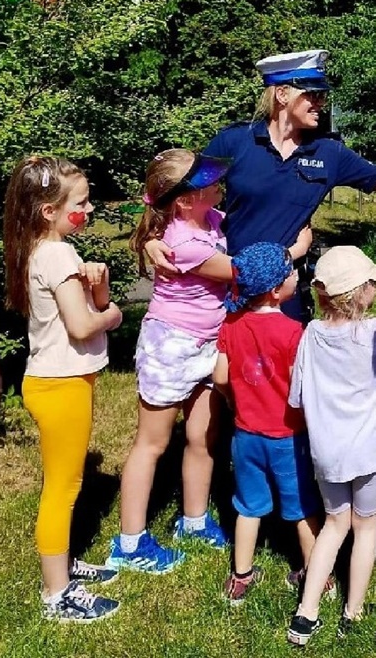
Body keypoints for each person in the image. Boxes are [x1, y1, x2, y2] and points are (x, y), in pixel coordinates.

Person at [144, 49, 376, 321]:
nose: (320, 103)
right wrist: (151, 239)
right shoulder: (234, 142)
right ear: (282, 94)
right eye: (312, 94)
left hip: (286, 294)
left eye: (322, 96)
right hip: (230, 288)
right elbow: (180, 191)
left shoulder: (329, 153)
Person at [3, 156, 123, 621]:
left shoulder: (40, 248)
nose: (89, 210)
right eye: (81, 202)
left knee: (66, 484)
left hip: (59, 382)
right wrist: (112, 317)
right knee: (62, 488)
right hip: (61, 385)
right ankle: (57, 595)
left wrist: (101, 286)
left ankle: (65, 567)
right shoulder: (57, 254)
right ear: (48, 211)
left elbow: (86, 307)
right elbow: (83, 325)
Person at [106, 151, 238, 575]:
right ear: (183, 200)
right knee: (152, 443)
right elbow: (241, 271)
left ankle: (194, 521)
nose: (219, 187)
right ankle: (129, 542)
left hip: (206, 344)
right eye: (210, 183)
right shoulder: (181, 242)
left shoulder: (209, 219)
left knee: (203, 436)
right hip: (171, 347)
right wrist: (295, 248)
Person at [287, 246, 376, 647]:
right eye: (372, 283)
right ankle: (352, 612)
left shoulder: (311, 335)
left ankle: (306, 613)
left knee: (334, 527)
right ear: (361, 293)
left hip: (327, 452)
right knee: (366, 528)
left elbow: (297, 397)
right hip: (369, 450)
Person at [212, 242, 320, 604]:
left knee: (247, 506)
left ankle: (241, 577)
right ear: (277, 291)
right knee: (302, 508)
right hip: (288, 436)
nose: (295, 277)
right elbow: (298, 386)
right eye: (291, 273)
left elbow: (221, 376)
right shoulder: (293, 332)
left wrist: (232, 400)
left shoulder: (231, 324)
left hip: (245, 435)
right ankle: (319, 575)